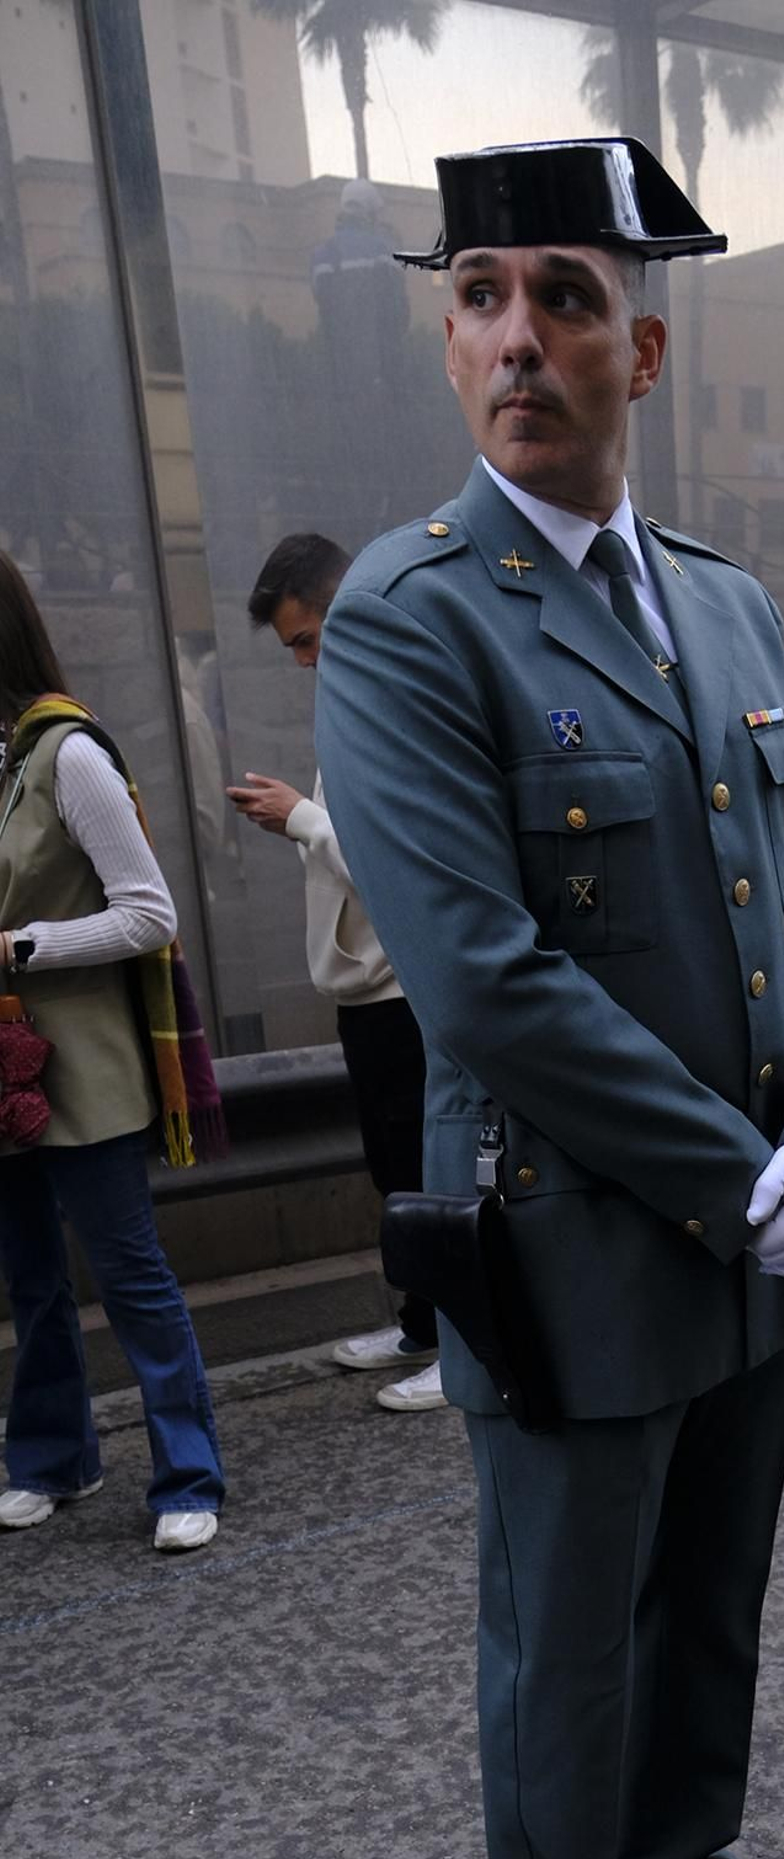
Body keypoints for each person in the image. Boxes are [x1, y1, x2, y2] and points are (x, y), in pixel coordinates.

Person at [314, 139, 784, 1859]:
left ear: (638, 345)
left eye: (560, 295)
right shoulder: (409, 622)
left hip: (760, 1221)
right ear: (448, 337)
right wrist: (749, 1169)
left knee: (709, 1585)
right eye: (477, 294)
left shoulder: (722, 608)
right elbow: (478, 984)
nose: (515, 336)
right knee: (564, 1629)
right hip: (567, 1232)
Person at [0, 552, 226, 1549]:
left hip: (83, 1066)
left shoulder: (68, 754)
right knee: (28, 1278)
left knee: (129, 1270)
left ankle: (189, 1472)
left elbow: (149, 913)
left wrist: (19, 947)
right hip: (6, 1070)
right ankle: (54, 1455)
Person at [231, 534, 443, 1413]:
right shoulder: (356, 704)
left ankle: (462, 1347)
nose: (306, 660)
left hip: (406, 990)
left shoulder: (398, 702)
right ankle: (423, 1325)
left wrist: (304, 819)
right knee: (397, 1171)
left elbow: (412, 866)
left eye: (309, 637)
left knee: (430, 1174)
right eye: (293, 646)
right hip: (368, 991)